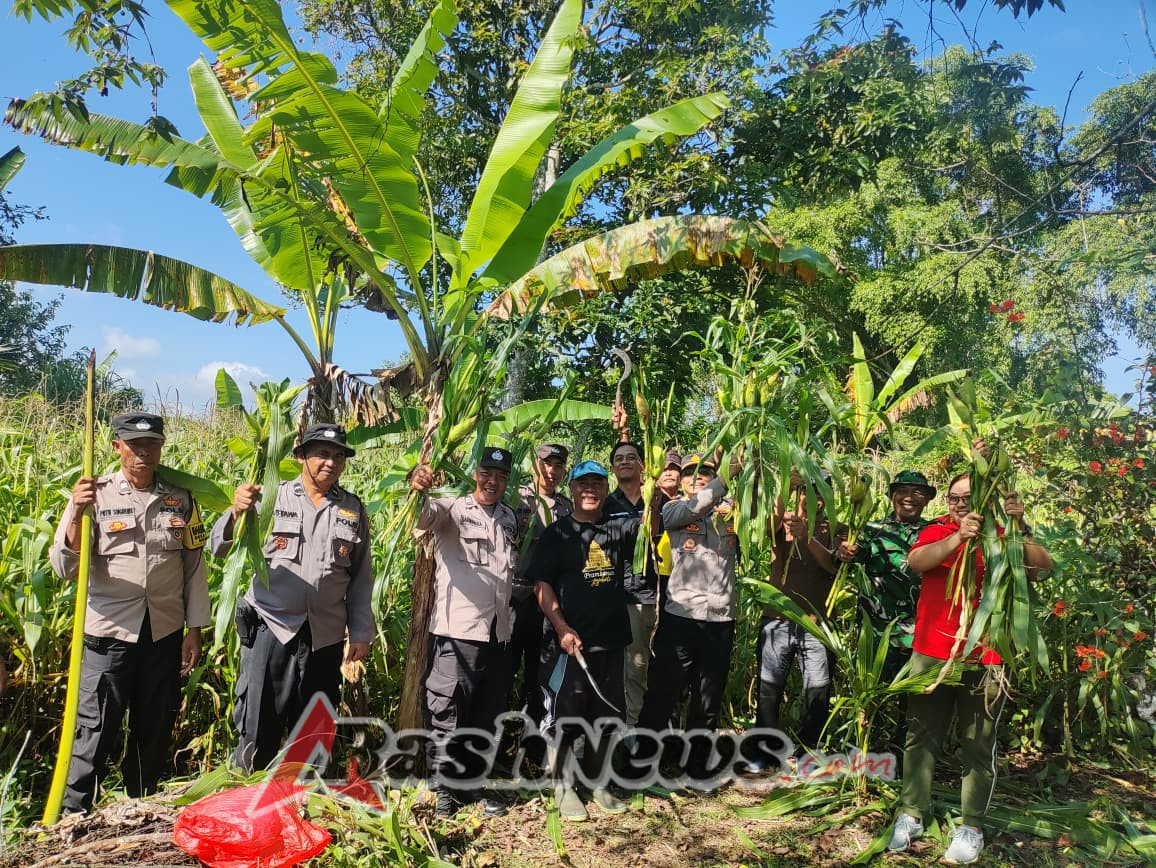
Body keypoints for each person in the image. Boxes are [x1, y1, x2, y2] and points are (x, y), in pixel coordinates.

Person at [888, 472, 1052, 865]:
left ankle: (971, 825)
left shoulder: (1003, 534)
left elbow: (1042, 567)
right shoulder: (938, 530)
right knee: (920, 736)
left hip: (986, 654)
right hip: (932, 652)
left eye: (968, 497)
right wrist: (959, 536)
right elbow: (917, 561)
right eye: (954, 498)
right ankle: (912, 812)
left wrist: (1018, 526)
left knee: (978, 742)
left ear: (987, 498)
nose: (960, 504)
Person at [49, 412, 209, 813]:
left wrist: (195, 630)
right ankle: (74, 813)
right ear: (117, 446)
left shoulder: (181, 498)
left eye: (151, 444)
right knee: (94, 728)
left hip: (163, 634)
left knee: (152, 729)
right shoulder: (92, 494)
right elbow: (65, 568)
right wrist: (75, 516)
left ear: (161, 447)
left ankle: (140, 807)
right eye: (134, 445)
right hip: (108, 635)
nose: (143, 453)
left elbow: (194, 568)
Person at [211, 423, 375, 774]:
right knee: (259, 725)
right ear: (301, 456)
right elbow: (219, 546)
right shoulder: (271, 497)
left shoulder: (352, 509)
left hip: (325, 636)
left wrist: (360, 631)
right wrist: (237, 512)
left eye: (338, 456)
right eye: (321, 454)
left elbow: (361, 578)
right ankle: (248, 799)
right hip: (273, 628)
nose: (330, 463)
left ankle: (306, 804)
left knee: (315, 730)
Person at [528, 460, 638, 821]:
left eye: (597, 483)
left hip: (611, 641)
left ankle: (597, 781)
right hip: (568, 645)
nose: (589, 489)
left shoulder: (618, 527)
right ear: (572, 489)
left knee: (606, 716)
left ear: (606, 490)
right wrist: (561, 628)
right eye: (582, 483)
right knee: (563, 717)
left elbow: (654, 515)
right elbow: (540, 585)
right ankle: (562, 786)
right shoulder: (557, 533)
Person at [410, 447, 517, 818]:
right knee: (448, 712)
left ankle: (472, 787)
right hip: (459, 633)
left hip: (498, 634)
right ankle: (443, 794)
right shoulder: (452, 509)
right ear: (475, 474)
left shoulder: (508, 517)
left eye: (501, 476)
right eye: (487, 472)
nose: (493, 481)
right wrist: (419, 488)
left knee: (485, 715)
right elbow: (423, 516)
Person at [636, 450, 739, 785]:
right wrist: (725, 480)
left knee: (707, 698)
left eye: (706, 472)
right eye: (691, 473)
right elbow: (695, 506)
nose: (699, 477)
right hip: (682, 616)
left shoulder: (732, 515)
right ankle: (641, 765)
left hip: (721, 619)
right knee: (663, 693)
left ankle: (696, 768)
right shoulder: (675, 509)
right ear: (681, 480)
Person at [742, 473, 838, 773]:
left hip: (817, 623)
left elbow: (833, 565)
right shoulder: (782, 522)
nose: (813, 499)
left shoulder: (836, 528)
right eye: (806, 492)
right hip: (777, 619)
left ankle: (811, 751)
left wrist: (805, 536)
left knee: (818, 690)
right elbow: (765, 527)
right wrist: (785, 486)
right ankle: (765, 751)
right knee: (769, 689)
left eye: (820, 493)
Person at [836, 470, 935, 669]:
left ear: (927, 500)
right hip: (877, 636)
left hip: (921, 639)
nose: (909, 497)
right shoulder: (871, 529)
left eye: (917, 492)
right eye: (902, 491)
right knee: (869, 695)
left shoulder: (937, 531)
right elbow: (851, 556)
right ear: (892, 497)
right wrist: (845, 553)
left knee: (916, 698)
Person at [509, 444, 572, 726]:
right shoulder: (515, 497)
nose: (552, 470)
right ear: (536, 464)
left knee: (538, 674)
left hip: (546, 601)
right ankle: (493, 737)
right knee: (502, 669)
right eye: (547, 463)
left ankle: (531, 738)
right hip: (513, 595)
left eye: (558, 466)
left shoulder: (566, 507)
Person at [603, 440, 662, 726]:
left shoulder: (657, 500)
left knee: (638, 669)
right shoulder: (605, 503)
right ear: (613, 468)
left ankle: (633, 728)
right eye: (619, 458)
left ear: (642, 465)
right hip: (614, 596)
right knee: (613, 667)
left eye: (632, 457)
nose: (625, 462)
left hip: (647, 596)